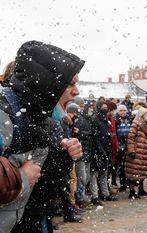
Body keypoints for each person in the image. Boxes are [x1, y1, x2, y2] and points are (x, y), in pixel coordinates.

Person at [0, 40, 84, 233]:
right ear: (48, 83)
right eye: (71, 83)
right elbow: (25, 178)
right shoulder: (4, 112)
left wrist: (62, 154)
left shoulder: (41, 118)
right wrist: (20, 177)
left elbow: (43, 191)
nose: (77, 91)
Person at [90, 100, 117, 205]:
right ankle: (95, 196)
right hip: (97, 150)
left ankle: (105, 194)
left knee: (104, 173)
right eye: (104, 107)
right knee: (95, 174)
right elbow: (95, 136)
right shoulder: (95, 119)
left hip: (105, 149)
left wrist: (109, 136)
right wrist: (100, 150)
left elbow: (103, 134)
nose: (106, 109)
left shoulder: (104, 119)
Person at [125, 102, 147, 199]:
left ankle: (141, 189)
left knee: (141, 171)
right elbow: (130, 138)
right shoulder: (136, 123)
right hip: (137, 151)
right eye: (146, 114)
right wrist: (131, 150)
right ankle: (132, 192)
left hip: (143, 151)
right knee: (133, 172)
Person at [115, 104, 132, 191]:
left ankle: (130, 183)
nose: (123, 112)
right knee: (121, 165)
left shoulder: (130, 119)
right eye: (121, 110)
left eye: (124, 110)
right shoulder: (116, 120)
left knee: (129, 165)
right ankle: (122, 184)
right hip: (120, 143)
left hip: (129, 143)